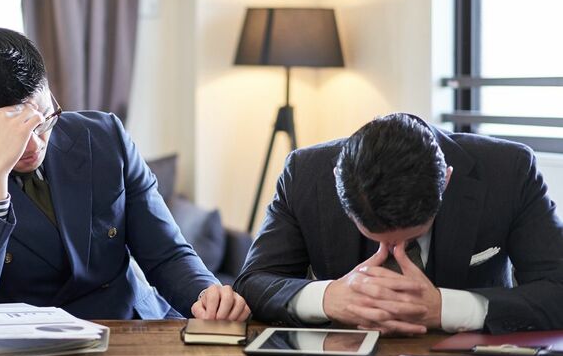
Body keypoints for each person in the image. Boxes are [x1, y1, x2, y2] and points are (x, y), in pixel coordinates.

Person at [0, 28, 248, 321]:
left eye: (42, 120)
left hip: (133, 327)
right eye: (14, 131)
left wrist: (206, 294)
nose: (33, 143)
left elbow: (166, 253)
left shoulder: (104, 136)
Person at [234, 112, 563, 335]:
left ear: (446, 181)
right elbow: (253, 282)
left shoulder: (510, 171)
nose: (392, 250)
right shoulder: (304, 173)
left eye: (412, 235)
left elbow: (557, 290)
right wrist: (327, 297)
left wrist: (446, 308)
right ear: (338, 181)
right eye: (374, 234)